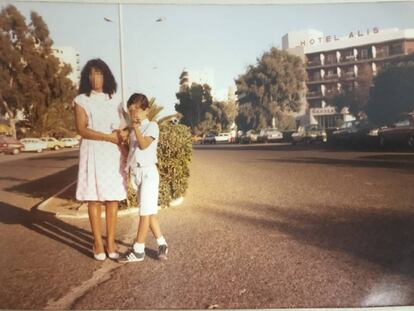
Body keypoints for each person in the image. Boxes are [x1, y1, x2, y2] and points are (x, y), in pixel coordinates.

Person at [74, 58, 128, 261]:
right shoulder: (81, 100)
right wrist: (107, 137)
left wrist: (121, 136)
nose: (96, 78)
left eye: (99, 73)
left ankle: (111, 241)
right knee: (94, 198)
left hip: (112, 153)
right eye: (92, 74)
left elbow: (123, 126)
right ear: (87, 77)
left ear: (106, 76)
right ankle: (97, 242)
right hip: (93, 151)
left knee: (112, 198)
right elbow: (81, 129)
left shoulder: (115, 99)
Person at [120, 93, 168, 262]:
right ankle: (162, 243)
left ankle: (138, 250)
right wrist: (120, 143)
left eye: (138, 110)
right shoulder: (134, 131)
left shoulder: (152, 126)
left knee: (144, 213)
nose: (135, 114)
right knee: (150, 213)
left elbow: (144, 145)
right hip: (137, 174)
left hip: (149, 173)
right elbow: (131, 153)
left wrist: (136, 129)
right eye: (131, 111)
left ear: (147, 110)